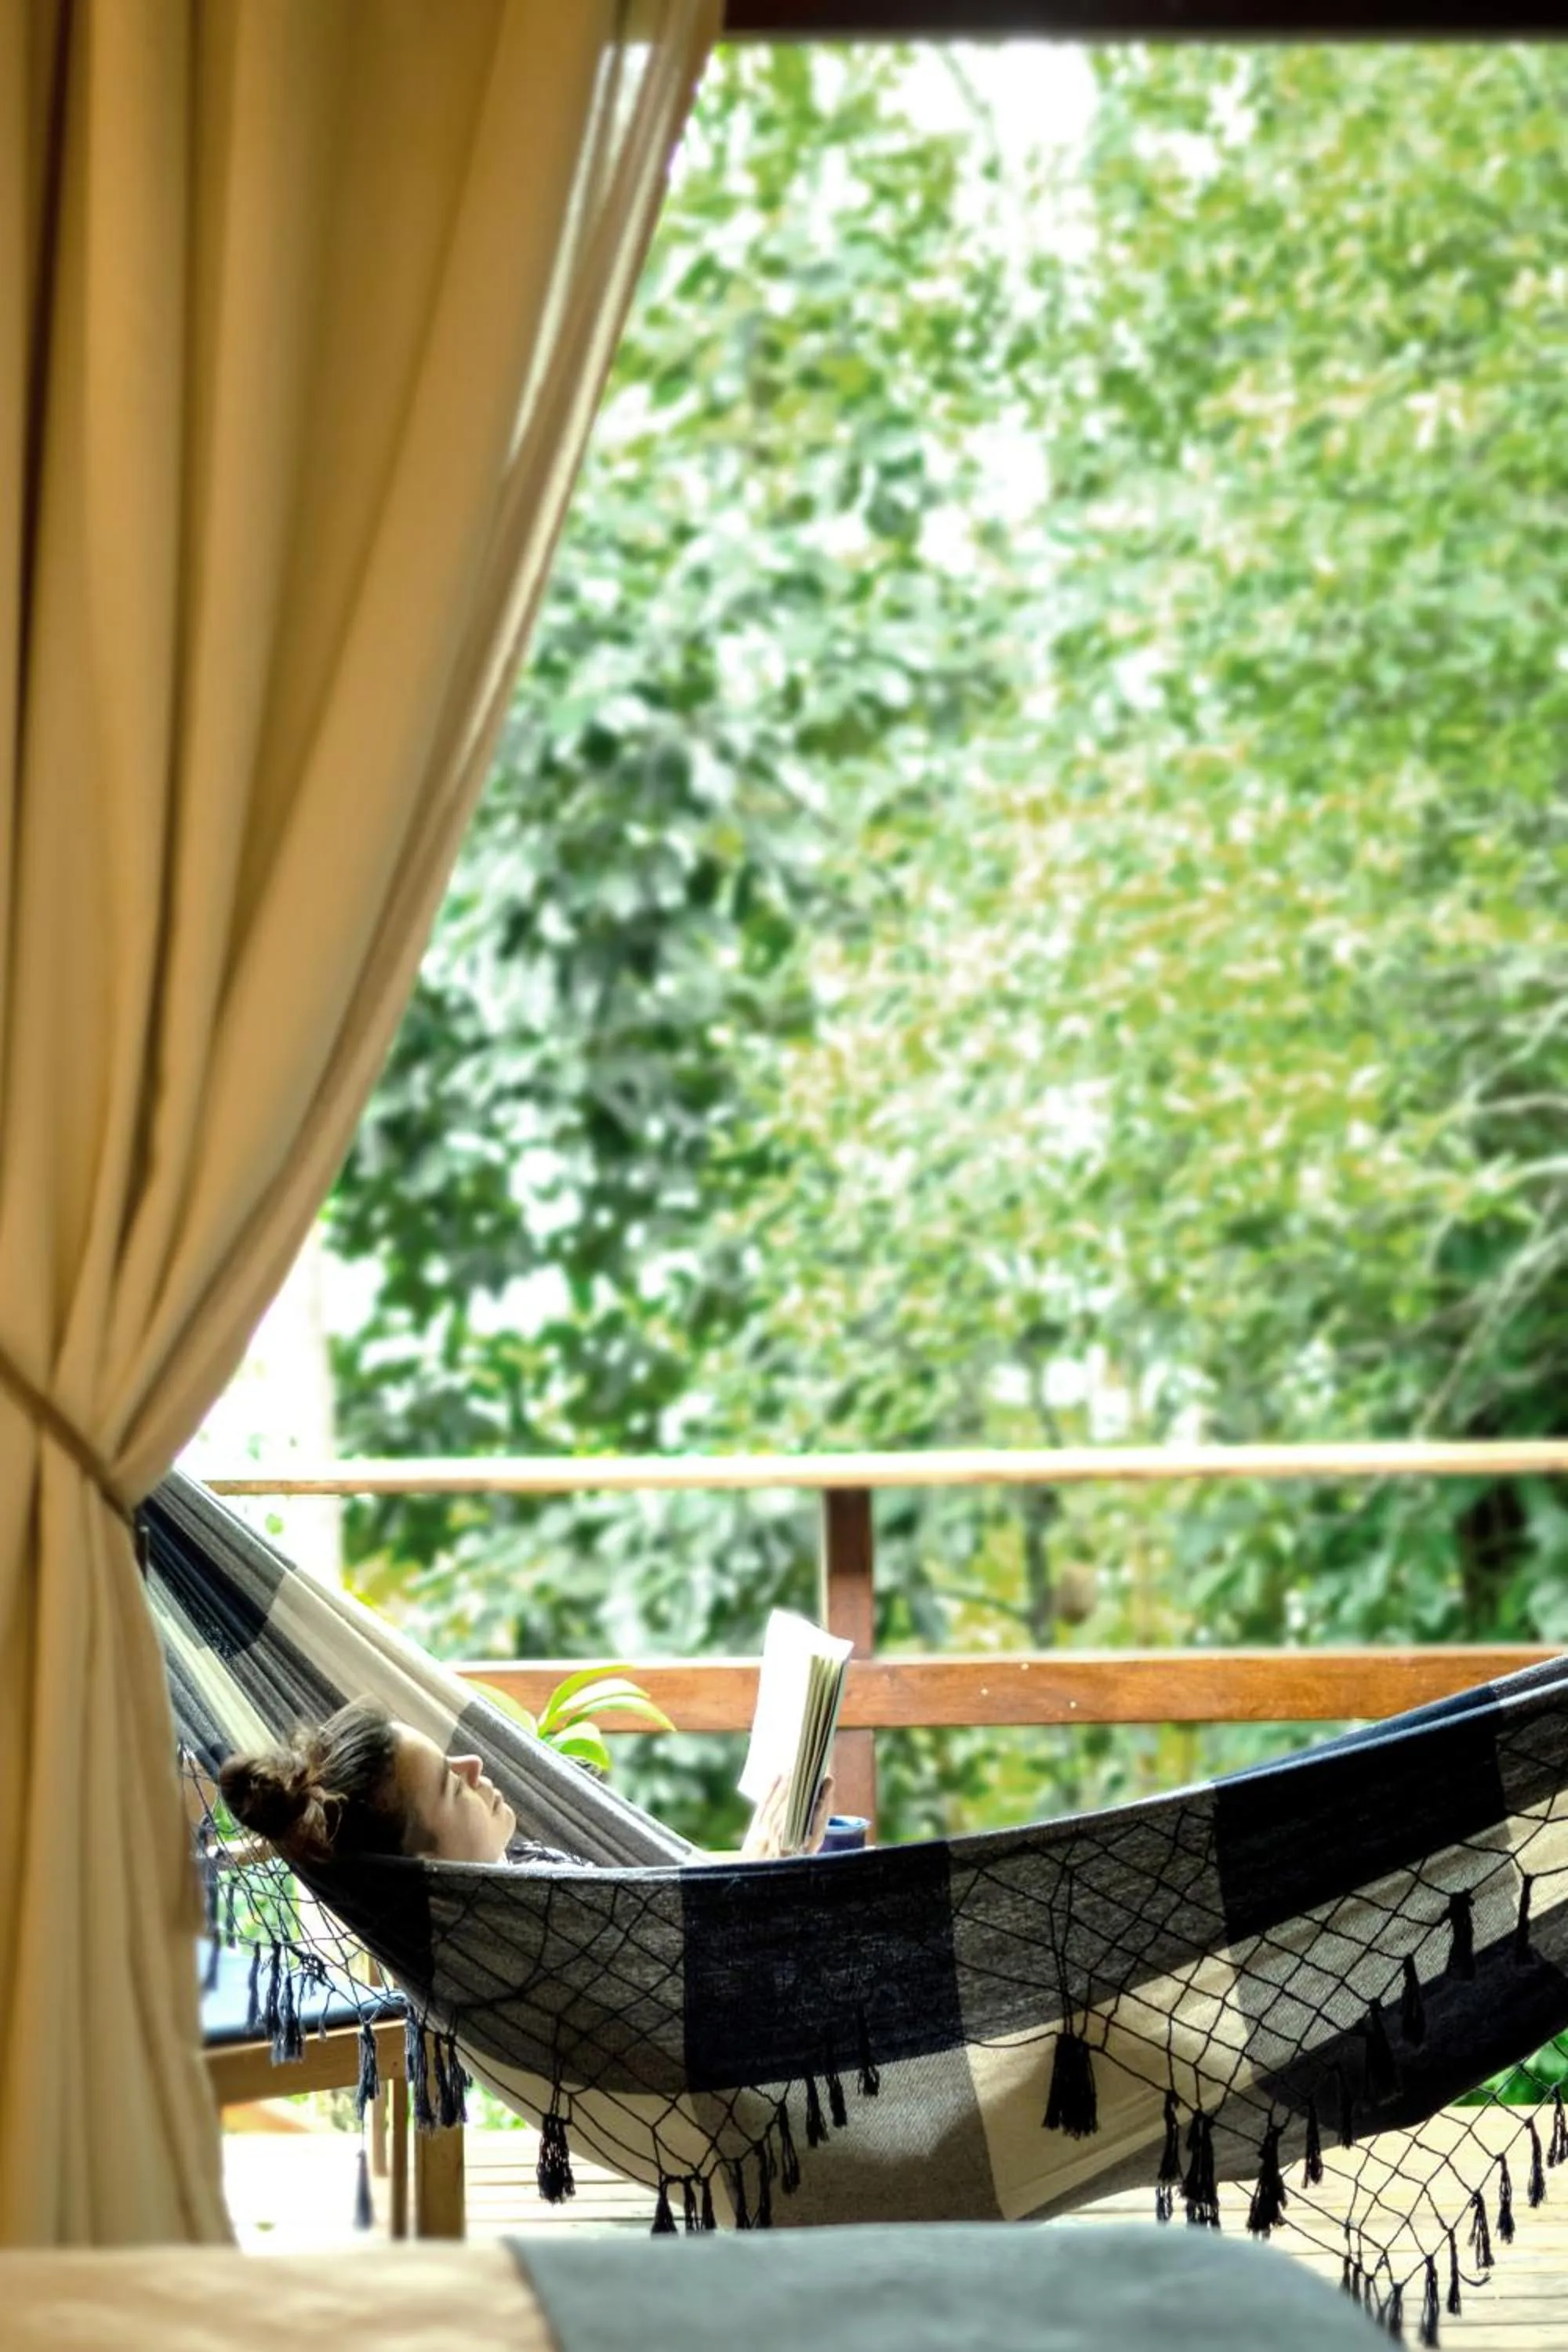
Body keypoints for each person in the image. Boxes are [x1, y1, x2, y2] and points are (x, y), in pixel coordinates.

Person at [218, 1698, 830, 1872]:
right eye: (452, 1788)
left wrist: (756, 1867)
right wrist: (772, 1872)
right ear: (428, 1865)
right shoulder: (542, 1926)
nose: (476, 1768)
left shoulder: (517, 1900)